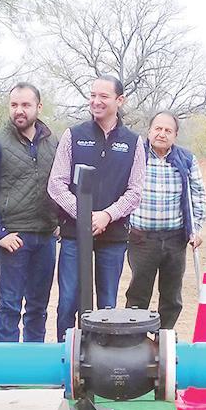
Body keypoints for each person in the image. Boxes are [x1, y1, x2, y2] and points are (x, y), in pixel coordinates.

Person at [47, 75, 145, 341]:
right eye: (92, 95)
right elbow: (56, 183)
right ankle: (67, 352)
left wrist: (107, 215)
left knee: (107, 304)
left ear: (119, 100)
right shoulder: (73, 135)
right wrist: (82, 214)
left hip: (113, 236)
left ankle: (101, 356)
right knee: (68, 300)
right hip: (73, 235)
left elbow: (135, 191)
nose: (96, 101)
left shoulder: (133, 142)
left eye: (103, 96)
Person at [0, 83, 58, 342]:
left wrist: (59, 221)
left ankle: (33, 361)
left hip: (45, 237)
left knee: (38, 307)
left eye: (25, 105)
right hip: (13, 238)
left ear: (38, 107)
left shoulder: (53, 142)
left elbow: (60, 185)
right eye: (14, 105)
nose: (19, 110)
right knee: (10, 305)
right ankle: (7, 363)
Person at [124, 111, 206, 329]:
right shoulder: (135, 156)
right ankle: (134, 338)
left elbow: (198, 195)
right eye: (158, 129)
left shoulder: (186, 159)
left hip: (175, 238)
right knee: (138, 293)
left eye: (168, 130)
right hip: (141, 237)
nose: (162, 134)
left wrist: (196, 229)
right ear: (149, 131)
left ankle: (164, 336)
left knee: (172, 295)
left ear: (175, 135)